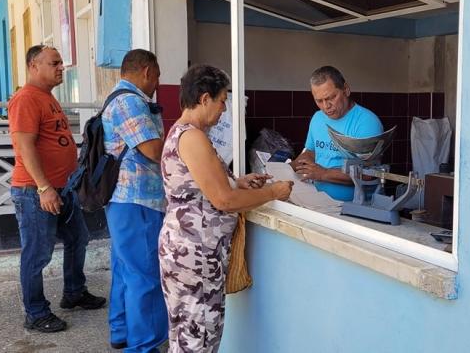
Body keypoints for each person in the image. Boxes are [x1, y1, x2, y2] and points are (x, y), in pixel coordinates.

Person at [159, 64, 293, 352]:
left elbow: (205, 187)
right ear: (204, 99)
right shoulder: (192, 137)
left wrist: (238, 182)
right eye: (222, 102)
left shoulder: (184, 133)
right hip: (194, 256)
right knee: (198, 340)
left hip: (190, 252)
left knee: (186, 337)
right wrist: (273, 192)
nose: (223, 111)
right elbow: (223, 201)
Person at [8, 45, 106, 333]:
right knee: (37, 253)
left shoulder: (47, 97)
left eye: (61, 63)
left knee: (78, 238)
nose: (61, 67)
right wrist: (43, 188)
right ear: (33, 66)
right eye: (55, 63)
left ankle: (74, 292)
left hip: (64, 189)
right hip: (35, 192)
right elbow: (25, 147)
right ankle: (36, 312)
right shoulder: (26, 99)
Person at [102, 49, 168, 352]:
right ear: (145, 71)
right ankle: (144, 346)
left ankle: (121, 331)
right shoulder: (130, 102)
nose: (157, 83)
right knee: (146, 277)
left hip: (125, 202)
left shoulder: (122, 99)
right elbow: (153, 150)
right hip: (138, 200)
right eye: (156, 76)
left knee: (126, 270)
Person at [290, 66, 384, 201]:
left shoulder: (366, 122)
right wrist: (283, 170)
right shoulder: (317, 118)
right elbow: (311, 153)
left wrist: (323, 174)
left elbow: (369, 174)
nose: (326, 106)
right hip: (319, 202)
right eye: (319, 101)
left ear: (346, 89)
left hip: (356, 207)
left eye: (331, 97)